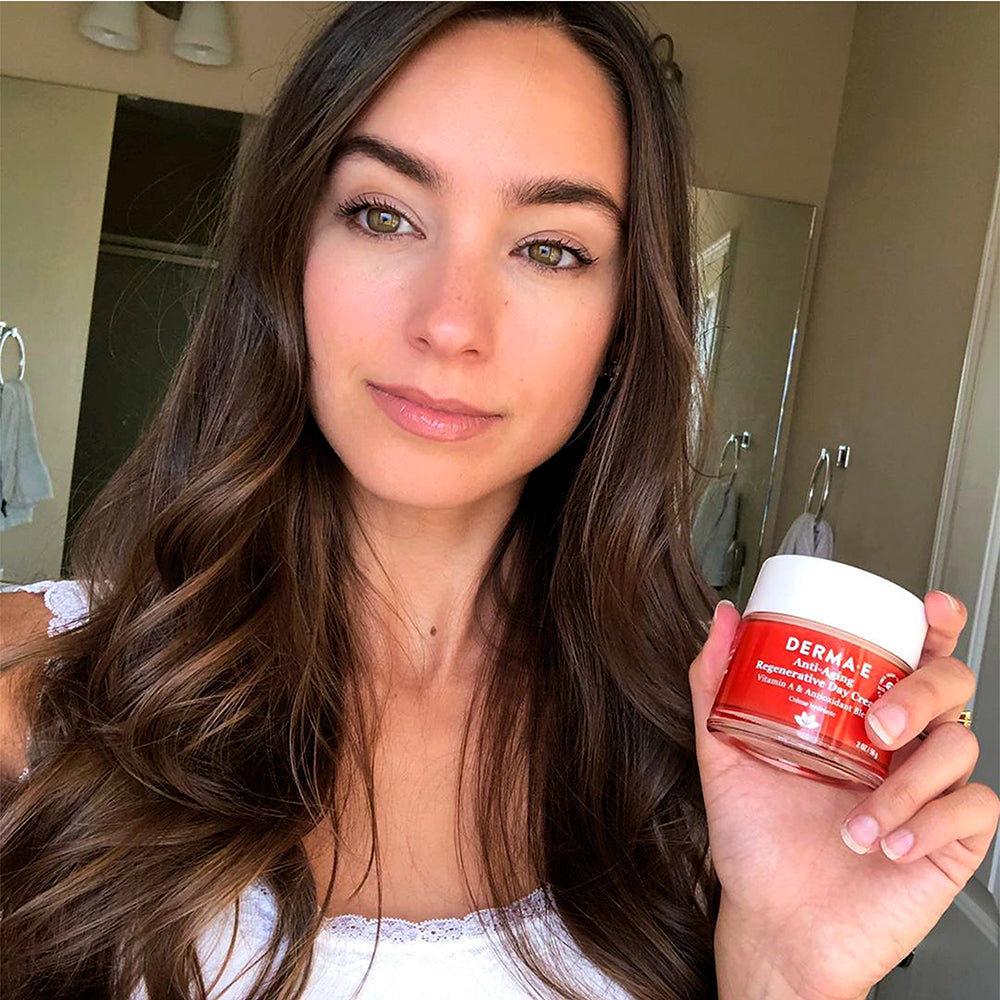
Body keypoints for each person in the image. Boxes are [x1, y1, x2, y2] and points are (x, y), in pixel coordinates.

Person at [1, 4, 996, 999]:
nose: (449, 323)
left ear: (621, 326)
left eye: (551, 249)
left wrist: (787, 967)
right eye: (382, 213)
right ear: (287, 253)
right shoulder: (31, 693)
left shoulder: (707, 763)